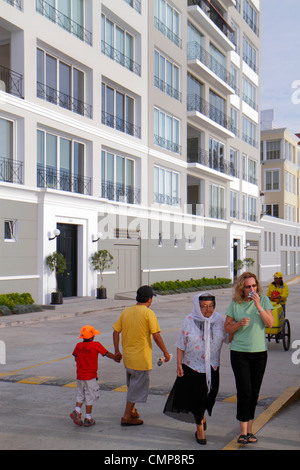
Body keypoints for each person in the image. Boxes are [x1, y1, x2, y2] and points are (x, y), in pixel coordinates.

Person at [163, 292, 230, 445]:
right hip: (192, 366)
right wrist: (179, 365)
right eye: (204, 307)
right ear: (197, 307)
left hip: (212, 366)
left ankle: (202, 415)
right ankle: (199, 427)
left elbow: (227, 339)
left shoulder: (219, 320)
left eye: (211, 306)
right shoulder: (189, 320)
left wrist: (236, 325)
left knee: (211, 395)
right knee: (197, 398)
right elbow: (181, 344)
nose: (208, 310)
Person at [225, 272, 274, 444]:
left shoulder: (264, 301)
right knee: (244, 391)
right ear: (242, 288)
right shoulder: (235, 304)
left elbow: (270, 323)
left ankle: (250, 430)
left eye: (254, 286)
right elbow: (227, 328)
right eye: (248, 287)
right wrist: (238, 324)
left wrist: (259, 306)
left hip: (259, 354)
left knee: (254, 392)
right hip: (239, 353)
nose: (252, 289)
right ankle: (243, 432)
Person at [113, 285, 171, 426]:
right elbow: (156, 335)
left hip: (128, 359)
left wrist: (117, 351)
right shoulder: (148, 313)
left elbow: (116, 332)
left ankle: (132, 411)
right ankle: (126, 416)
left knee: (133, 385)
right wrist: (165, 352)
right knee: (136, 388)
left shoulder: (126, 311)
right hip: (141, 360)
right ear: (149, 299)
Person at [70, 325, 121, 427]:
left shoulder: (78, 346)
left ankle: (77, 411)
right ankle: (88, 418)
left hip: (80, 376)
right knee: (90, 396)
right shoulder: (96, 345)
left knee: (81, 394)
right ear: (93, 336)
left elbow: (76, 358)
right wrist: (116, 357)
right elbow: (106, 353)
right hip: (90, 376)